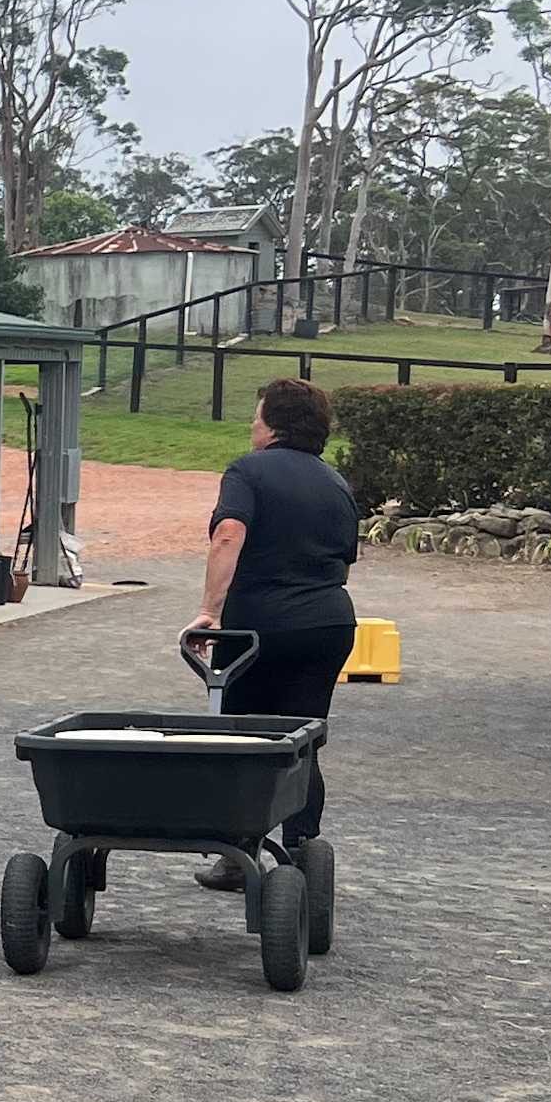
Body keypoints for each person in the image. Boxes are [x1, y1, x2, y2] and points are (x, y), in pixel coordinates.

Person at [192, 377, 359, 887]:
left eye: (257, 415)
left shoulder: (249, 471)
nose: (251, 424)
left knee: (244, 741)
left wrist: (209, 612)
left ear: (274, 425)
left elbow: (229, 534)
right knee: (301, 739)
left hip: (258, 629)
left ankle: (238, 855)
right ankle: (302, 849)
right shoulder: (336, 483)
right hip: (329, 623)